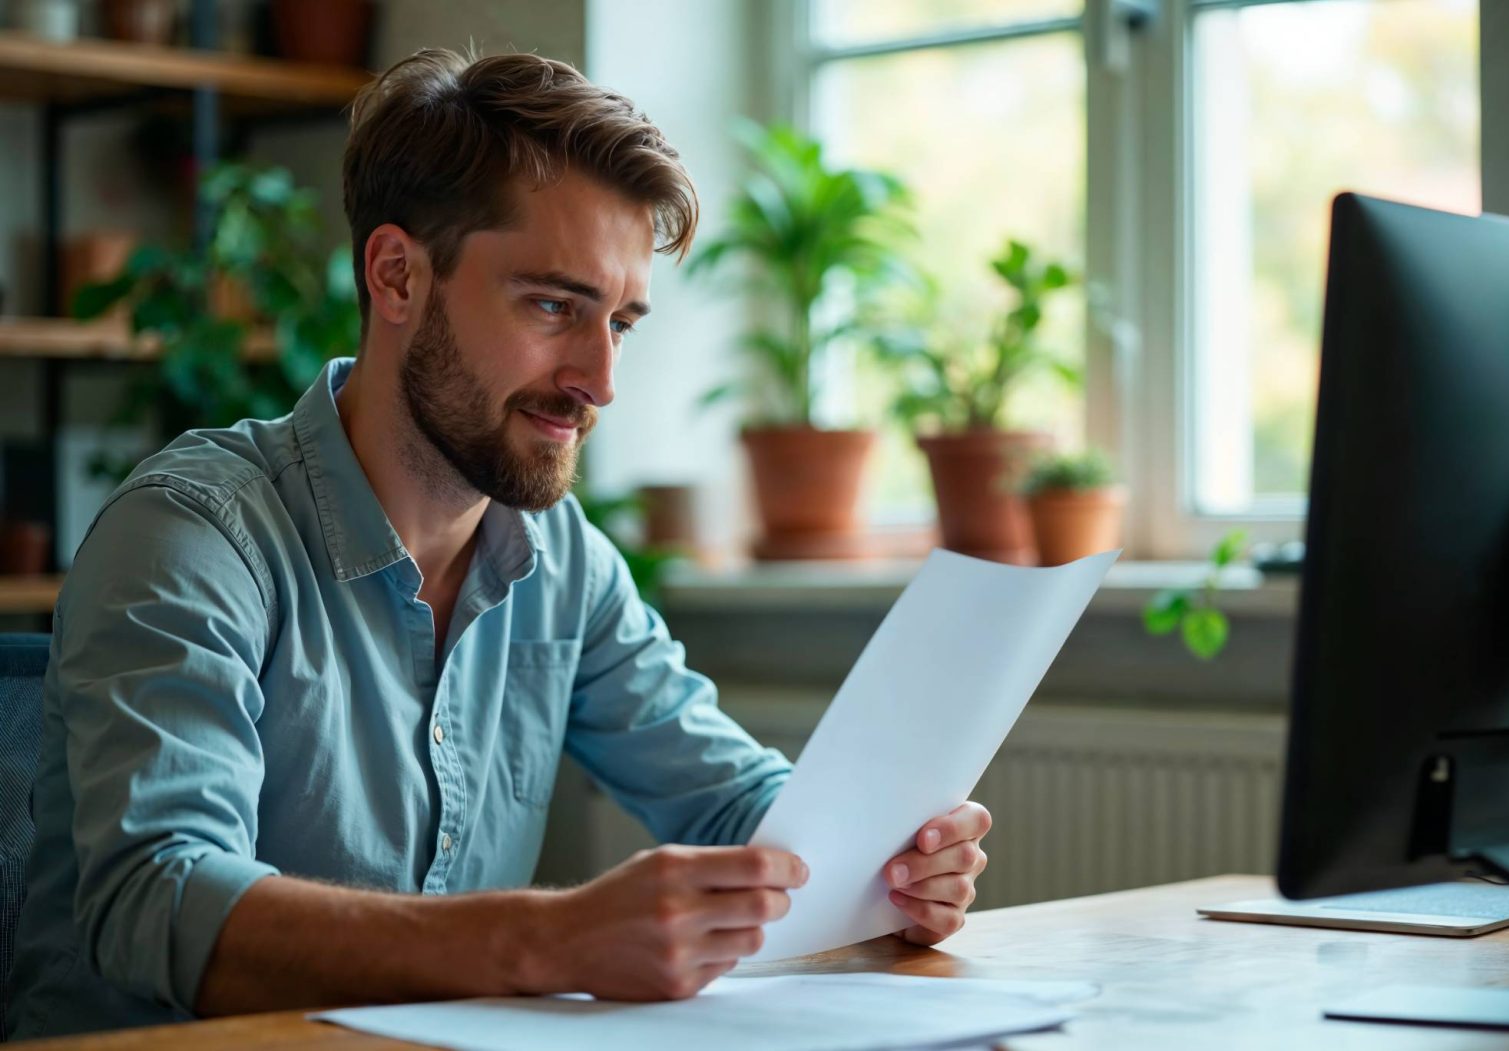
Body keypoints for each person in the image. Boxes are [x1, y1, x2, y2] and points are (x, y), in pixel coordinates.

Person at [5, 49, 992, 1039]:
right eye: (554, 305)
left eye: (622, 323)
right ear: (397, 275)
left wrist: (888, 864)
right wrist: (546, 941)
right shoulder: (192, 532)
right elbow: (160, 899)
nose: (600, 378)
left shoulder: (563, 563)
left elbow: (737, 805)